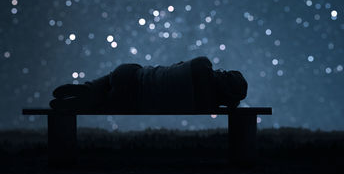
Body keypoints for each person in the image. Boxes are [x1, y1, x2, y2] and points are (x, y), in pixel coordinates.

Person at [50, 56, 248, 112]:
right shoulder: (207, 104)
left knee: (97, 88)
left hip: (130, 73)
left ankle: (86, 89)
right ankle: (78, 103)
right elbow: (218, 103)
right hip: (131, 100)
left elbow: (178, 64)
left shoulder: (202, 64)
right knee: (101, 103)